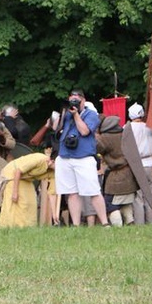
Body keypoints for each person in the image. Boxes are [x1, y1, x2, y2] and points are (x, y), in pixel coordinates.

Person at [55, 89, 109, 227]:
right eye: (71, 100)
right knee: (71, 193)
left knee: (93, 191)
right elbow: (56, 130)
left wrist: (76, 115)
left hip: (83, 157)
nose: (73, 103)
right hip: (65, 156)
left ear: (83, 100)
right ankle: (76, 224)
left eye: (76, 100)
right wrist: (63, 112)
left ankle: (105, 223)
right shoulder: (66, 114)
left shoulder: (91, 115)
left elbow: (84, 131)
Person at [96, 115, 137, 226]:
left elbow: (96, 147)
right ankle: (130, 223)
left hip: (117, 176)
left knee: (109, 203)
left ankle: (117, 227)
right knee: (125, 201)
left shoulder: (105, 138)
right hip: (129, 175)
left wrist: (93, 134)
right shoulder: (124, 134)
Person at [0, 153, 55, 228]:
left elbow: (52, 193)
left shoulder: (53, 173)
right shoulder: (40, 159)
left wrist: (54, 214)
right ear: (53, 161)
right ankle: (10, 226)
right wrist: (15, 192)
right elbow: (18, 171)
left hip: (26, 179)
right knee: (16, 202)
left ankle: (28, 226)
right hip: (12, 175)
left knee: (31, 202)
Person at [124, 103, 152, 224]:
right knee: (149, 195)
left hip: (136, 163)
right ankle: (150, 221)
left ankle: (140, 223)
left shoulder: (128, 128)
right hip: (148, 163)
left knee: (137, 197)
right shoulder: (150, 127)